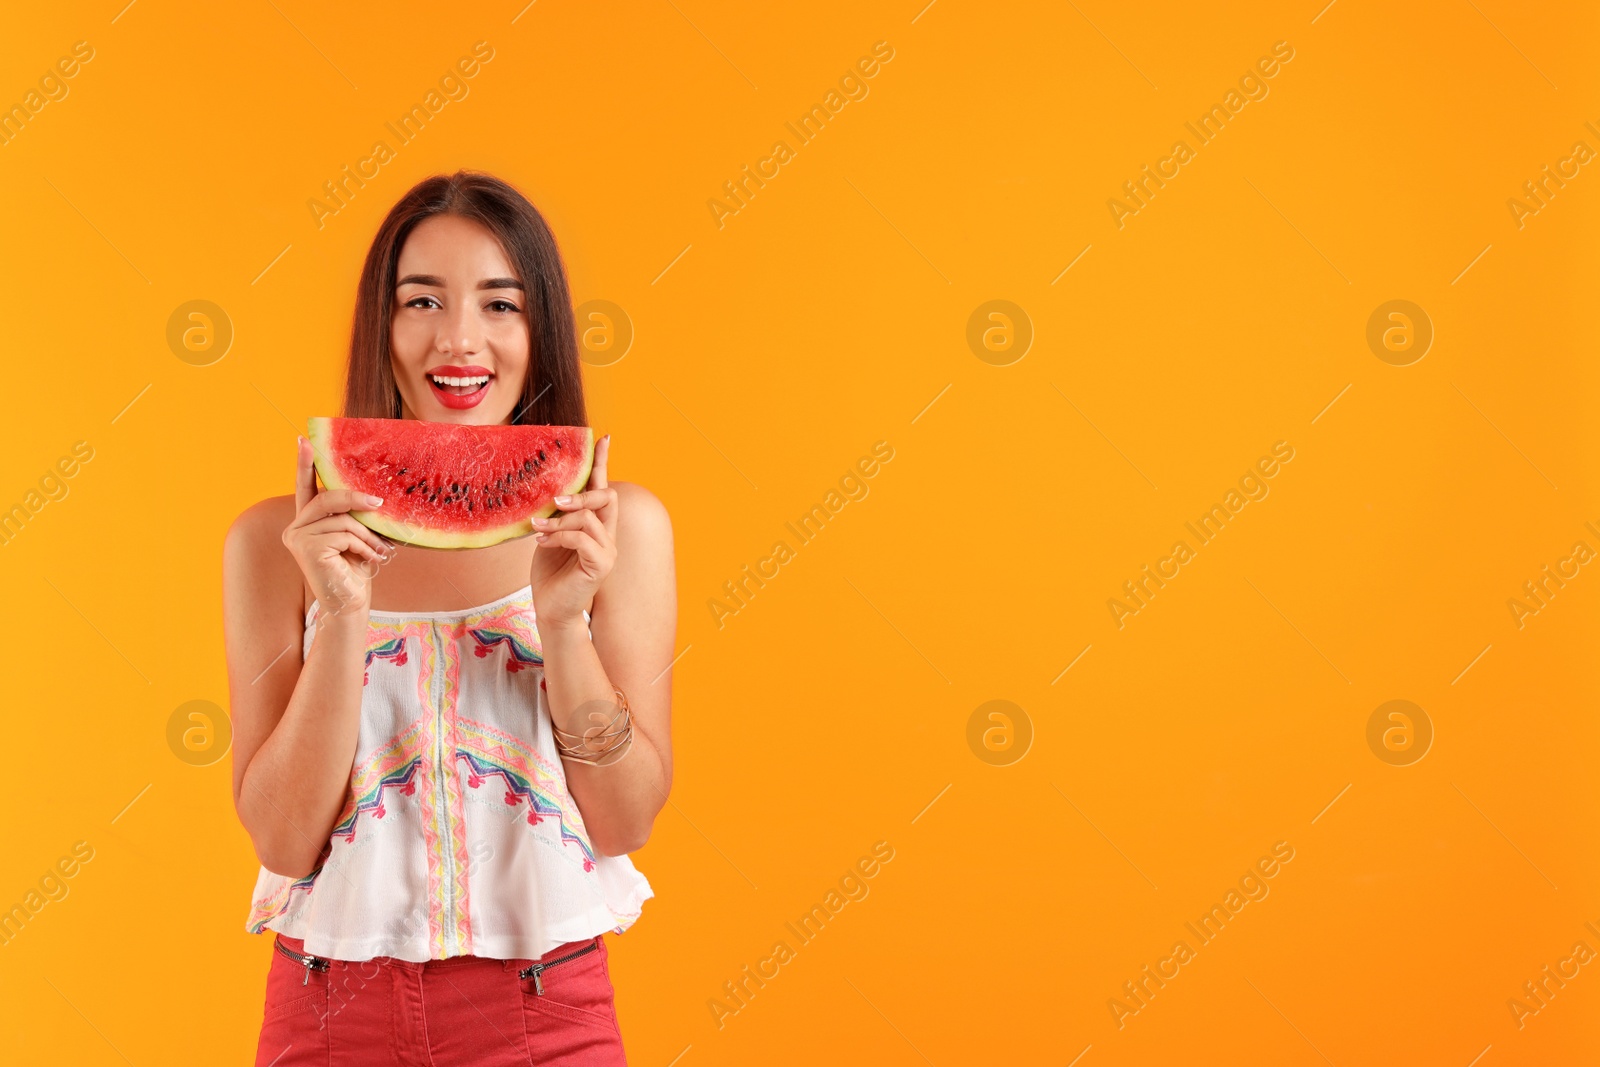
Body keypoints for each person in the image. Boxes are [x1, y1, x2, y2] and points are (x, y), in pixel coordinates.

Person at [222, 170, 676, 1065]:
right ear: (381, 328)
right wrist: (342, 613)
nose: (460, 339)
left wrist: (566, 622)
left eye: (500, 305)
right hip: (325, 1012)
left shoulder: (620, 528)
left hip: (545, 1013)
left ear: (539, 330)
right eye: (421, 299)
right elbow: (282, 836)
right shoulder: (272, 540)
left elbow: (625, 822)